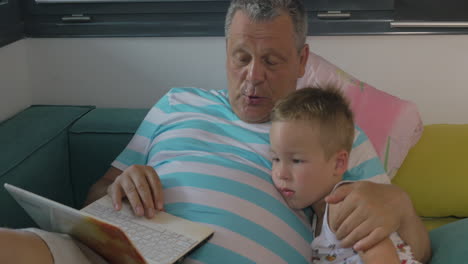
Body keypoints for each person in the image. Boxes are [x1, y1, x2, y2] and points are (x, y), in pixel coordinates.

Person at [0, 0, 430, 263]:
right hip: (110, 256)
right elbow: (94, 197)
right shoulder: (176, 103)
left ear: (302, 61)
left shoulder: (335, 135)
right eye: (241, 57)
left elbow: (411, 250)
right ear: (225, 52)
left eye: (273, 61)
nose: (253, 77)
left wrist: (401, 208)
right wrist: (120, 186)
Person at [270, 86, 421, 264]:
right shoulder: (317, 216)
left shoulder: (342, 207)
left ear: (338, 163)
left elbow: (381, 256)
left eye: (296, 161)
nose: (281, 173)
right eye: (275, 158)